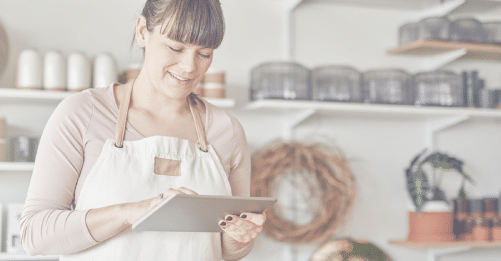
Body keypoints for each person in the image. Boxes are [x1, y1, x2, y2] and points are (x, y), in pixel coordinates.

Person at [20, 0, 266, 260]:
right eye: (175, 47)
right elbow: (34, 235)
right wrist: (130, 212)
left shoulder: (226, 131)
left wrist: (238, 237)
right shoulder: (83, 113)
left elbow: (229, 251)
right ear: (142, 32)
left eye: (204, 53)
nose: (189, 67)